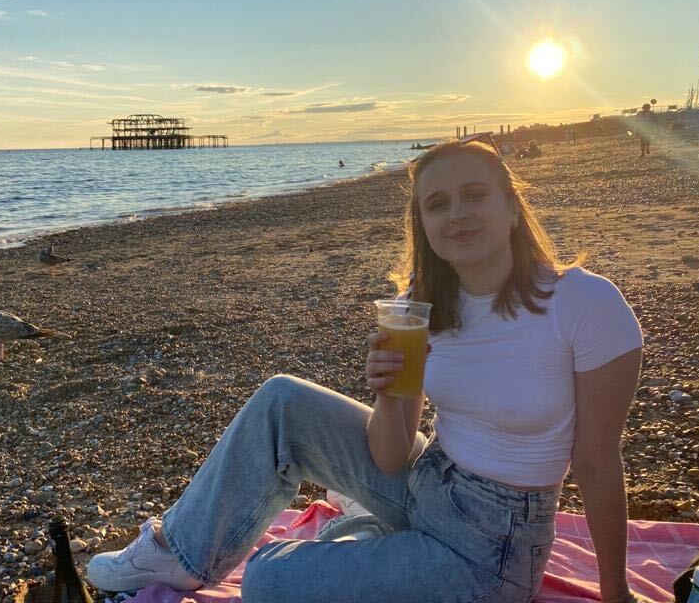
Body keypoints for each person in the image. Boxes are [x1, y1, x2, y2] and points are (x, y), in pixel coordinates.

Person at [86, 139, 647, 603]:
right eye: (437, 204)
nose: (457, 215)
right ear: (422, 222)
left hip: (491, 546)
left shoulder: (584, 304)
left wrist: (615, 592)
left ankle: (367, 533)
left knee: (267, 580)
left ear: (510, 206)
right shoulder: (422, 307)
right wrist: (390, 393)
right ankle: (181, 555)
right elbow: (391, 456)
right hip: (427, 477)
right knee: (282, 400)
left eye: (474, 196)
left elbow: (597, 464)